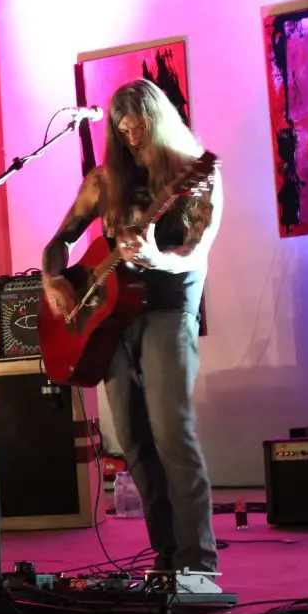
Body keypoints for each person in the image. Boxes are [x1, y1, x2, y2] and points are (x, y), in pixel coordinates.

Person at [41, 78, 223, 579]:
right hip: (110, 322)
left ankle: (199, 564)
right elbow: (60, 242)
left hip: (168, 310)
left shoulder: (194, 171)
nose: (132, 138)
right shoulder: (104, 181)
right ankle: (167, 557)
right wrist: (53, 280)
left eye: (139, 128)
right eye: (122, 132)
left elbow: (195, 251)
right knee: (135, 443)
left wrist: (155, 258)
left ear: (157, 123)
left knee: (172, 434)